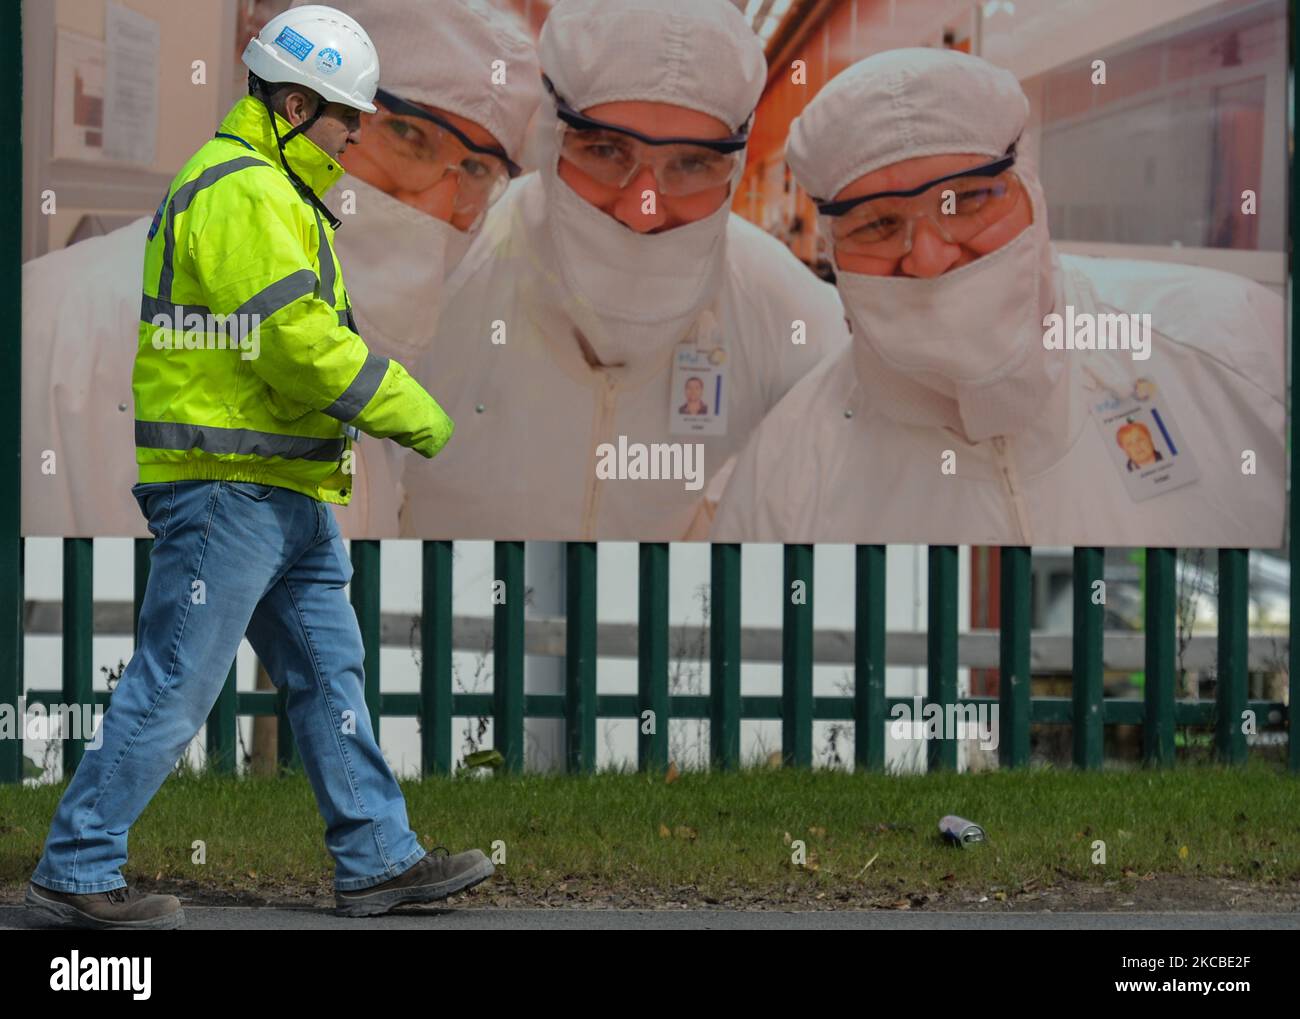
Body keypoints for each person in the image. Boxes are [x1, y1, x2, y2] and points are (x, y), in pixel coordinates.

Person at [25, 5, 485, 930]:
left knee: (330, 675)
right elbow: (296, 346)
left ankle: (377, 862)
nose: (353, 134)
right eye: (344, 116)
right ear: (289, 102)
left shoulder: (275, 188)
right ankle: (76, 866)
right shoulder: (241, 191)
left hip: (283, 490)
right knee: (179, 679)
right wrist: (419, 414)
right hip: (231, 493)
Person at [712, 48, 1284, 547]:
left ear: (1032, 190)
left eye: (969, 199)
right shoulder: (785, 477)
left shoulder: (1238, 351)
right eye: (879, 225)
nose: (930, 258)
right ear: (835, 250)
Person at [20, 0, 540, 540]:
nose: (435, 205)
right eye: (408, 134)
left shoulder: (376, 347)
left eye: (477, 168)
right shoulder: (56, 325)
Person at [398, 0, 849, 541]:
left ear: (734, 168)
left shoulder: (791, 319)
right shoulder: (441, 276)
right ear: (551, 138)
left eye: (691, 164)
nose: (643, 209)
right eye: (605, 150)